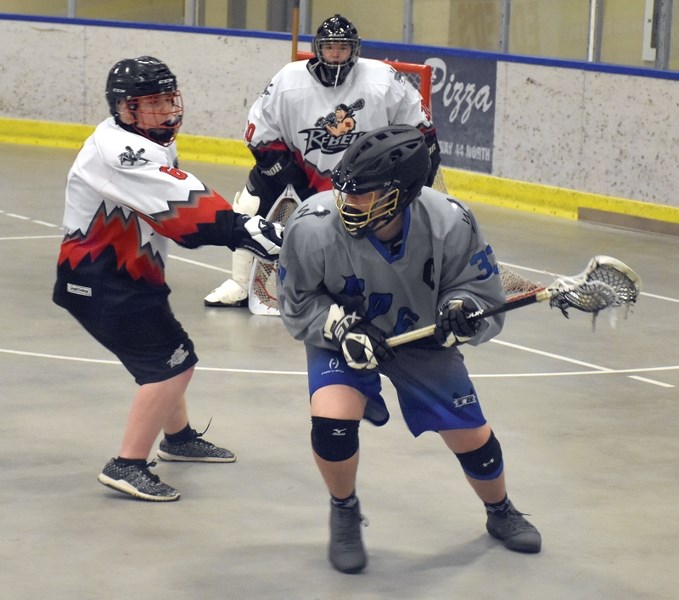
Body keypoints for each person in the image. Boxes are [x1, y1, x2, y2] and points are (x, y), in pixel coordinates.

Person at [277, 125, 541, 574]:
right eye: (345, 190)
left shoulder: (451, 222)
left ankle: (500, 510)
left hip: (419, 334)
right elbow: (298, 302)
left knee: (472, 438)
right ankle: (344, 508)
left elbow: (478, 292)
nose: (348, 203)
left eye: (364, 194)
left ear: (403, 194)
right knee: (331, 423)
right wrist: (340, 328)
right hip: (346, 334)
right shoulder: (310, 225)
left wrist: (461, 310)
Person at [52, 56, 283, 502]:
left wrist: (240, 229)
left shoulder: (145, 140)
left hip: (131, 276)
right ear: (125, 108)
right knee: (172, 365)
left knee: (170, 352)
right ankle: (127, 464)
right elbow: (180, 204)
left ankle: (177, 439)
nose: (165, 110)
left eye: (167, 99)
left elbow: (168, 200)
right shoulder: (120, 150)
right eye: (150, 102)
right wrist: (244, 230)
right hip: (100, 281)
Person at [204, 13, 441, 307]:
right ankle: (240, 282)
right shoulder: (288, 79)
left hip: (367, 180)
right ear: (318, 48)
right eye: (330, 48)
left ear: (355, 49)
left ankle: (404, 284)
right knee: (250, 201)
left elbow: (422, 132)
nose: (336, 55)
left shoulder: (383, 78)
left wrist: (415, 180)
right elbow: (259, 134)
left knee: (405, 217)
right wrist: (287, 175)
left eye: (343, 48)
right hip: (302, 171)